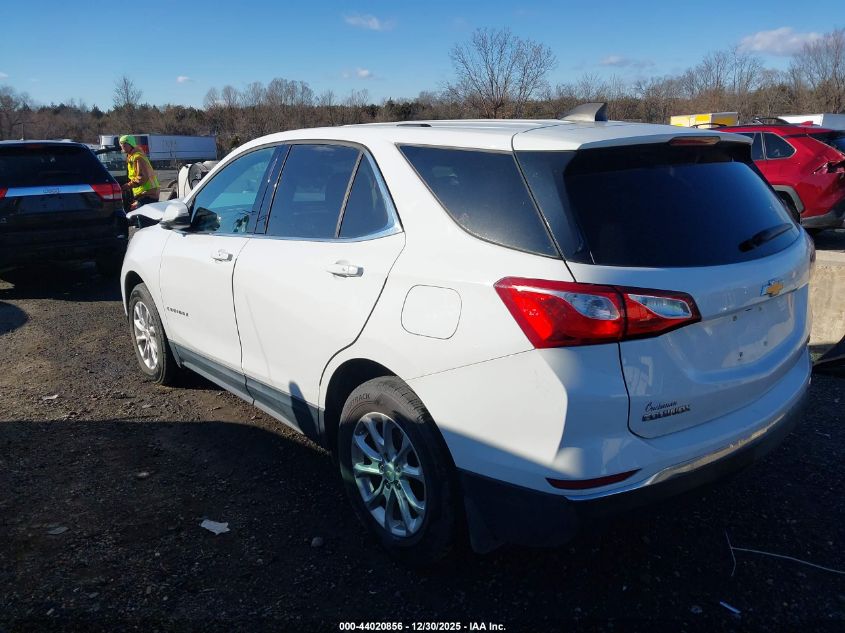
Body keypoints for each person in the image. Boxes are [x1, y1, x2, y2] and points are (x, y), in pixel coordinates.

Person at [119, 135, 160, 209]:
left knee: (143, 219)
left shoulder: (137, 157)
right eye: (121, 144)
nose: (122, 146)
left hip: (148, 194)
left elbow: (142, 177)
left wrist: (127, 186)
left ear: (131, 145)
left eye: (124, 144)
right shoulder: (132, 157)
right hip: (144, 194)